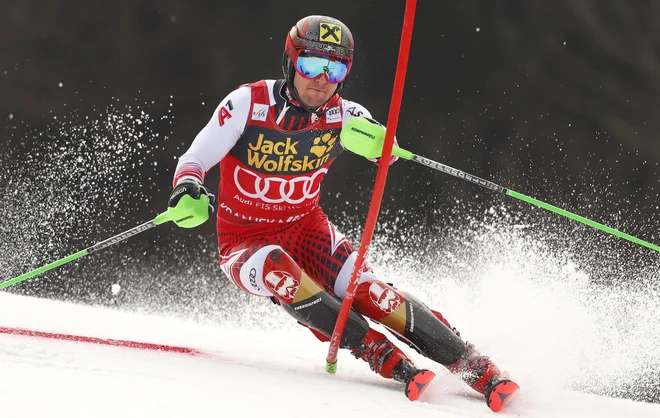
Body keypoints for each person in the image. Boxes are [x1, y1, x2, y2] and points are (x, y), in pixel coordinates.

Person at [167, 15, 518, 412]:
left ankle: (475, 366)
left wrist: (381, 146)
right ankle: (375, 351)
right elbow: (195, 158)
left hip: (306, 229)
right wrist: (187, 188)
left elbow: (380, 145)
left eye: (334, 69)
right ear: (290, 62)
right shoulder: (248, 103)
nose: (321, 79)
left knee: (372, 293)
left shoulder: (344, 115)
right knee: (278, 270)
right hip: (244, 242)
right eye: (310, 65)